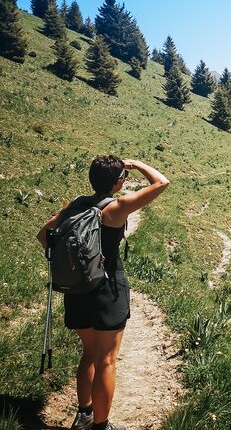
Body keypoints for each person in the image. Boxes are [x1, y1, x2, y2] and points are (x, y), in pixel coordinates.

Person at [37, 156, 170, 430]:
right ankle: (101, 425)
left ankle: (84, 413)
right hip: (107, 289)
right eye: (123, 177)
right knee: (106, 360)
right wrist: (137, 164)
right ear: (118, 181)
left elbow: (43, 236)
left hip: (77, 289)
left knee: (88, 353)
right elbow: (161, 182)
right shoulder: (117, 207)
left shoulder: (74, 205)